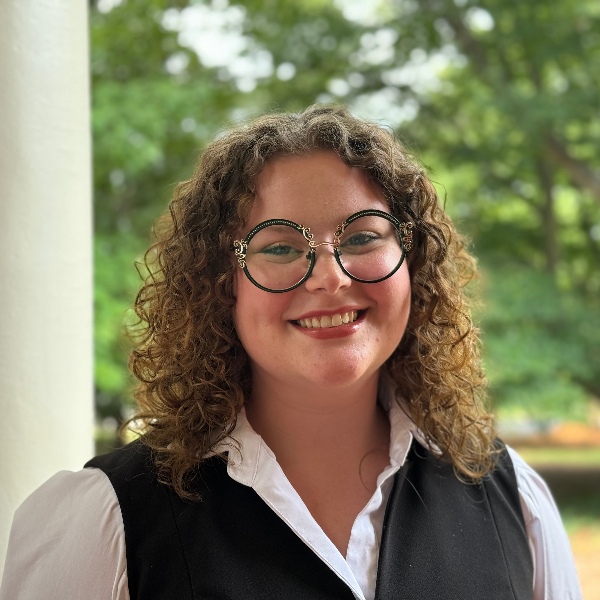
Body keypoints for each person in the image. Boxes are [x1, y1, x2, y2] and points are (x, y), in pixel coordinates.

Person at [1, 105, 581, 599]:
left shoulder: (515, 500)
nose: (329, 277)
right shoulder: (105, 520)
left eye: (361, 236)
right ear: (219, 282)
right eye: (279, 246)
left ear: (413, 261)